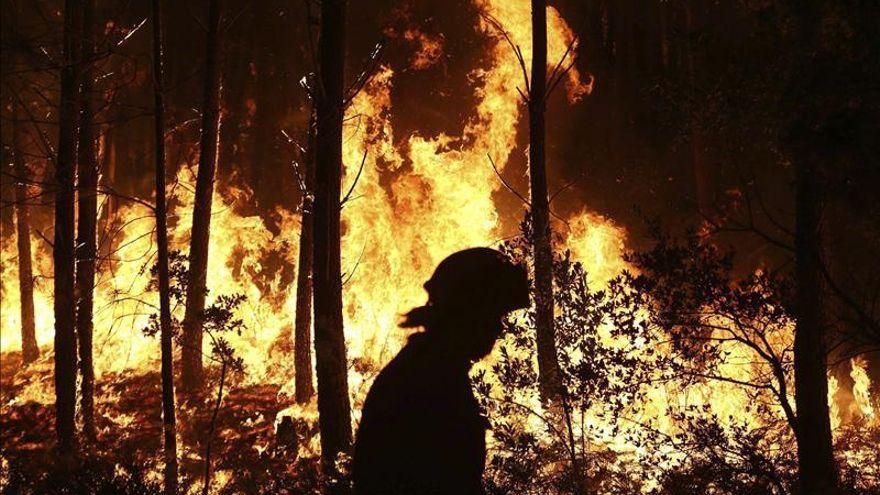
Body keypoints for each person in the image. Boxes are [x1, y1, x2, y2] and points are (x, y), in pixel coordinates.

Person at [352, 247, 529, 495]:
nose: (499, 329)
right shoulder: (430, 380)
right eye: (494, 315)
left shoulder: (433, 367)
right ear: (470, 313)